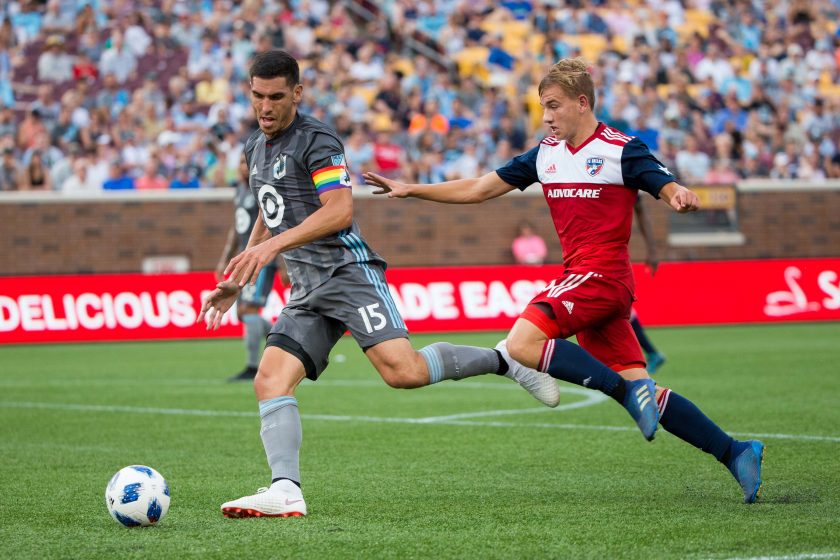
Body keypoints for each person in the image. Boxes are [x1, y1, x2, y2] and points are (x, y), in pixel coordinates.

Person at [364, 58, 765, 504]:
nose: (547, 116)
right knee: (648, 389)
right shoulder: (545, 154)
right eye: (542, 108)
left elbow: (662, 183)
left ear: (581, 102)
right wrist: (410, 189)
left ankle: (630, 393)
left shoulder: (621, 148)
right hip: (592, 286)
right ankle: (737, 452)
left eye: (553, 106)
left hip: (602, 278)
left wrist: (679, 196)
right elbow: (479, 188)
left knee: (521, 344)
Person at [197, 50, 560, 518]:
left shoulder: (317, 140)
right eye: (257, 97)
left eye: (276, 97)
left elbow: (339, 210)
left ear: (297, 94)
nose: (265, 107)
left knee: (402, 373)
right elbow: (270, 214)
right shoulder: (254, 147)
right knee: (270, 379)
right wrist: (238, 276)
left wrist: (269, 250)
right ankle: (285, 489)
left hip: (348, 274)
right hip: (307, 289)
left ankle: (505, 359)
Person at [215, 153, 280, 382]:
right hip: (244, 259)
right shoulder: (240, 190)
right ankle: (283, 338)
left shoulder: (260, 189)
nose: (243, 168)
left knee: (250, 312)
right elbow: (236, 228)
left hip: (262, 260)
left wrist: (284, 263)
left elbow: (277, 224)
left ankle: (253, 368)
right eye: (240, 163)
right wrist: (225, 258)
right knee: (243, 313)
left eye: (247, 163)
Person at [630, 197, 667, 373]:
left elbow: (640, 207)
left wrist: (652, 250)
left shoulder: (620, 173)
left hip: (610, 257)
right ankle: (651, 354)